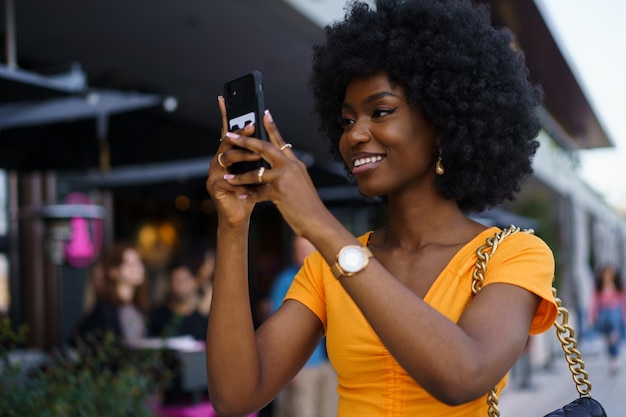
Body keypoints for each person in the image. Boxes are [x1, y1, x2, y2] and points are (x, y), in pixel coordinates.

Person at [204, 1, 559, 415]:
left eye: (381, 111)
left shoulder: (513, 255)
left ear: (444, 120)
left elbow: (463, 375)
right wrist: (233, 227)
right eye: (347, 120)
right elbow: (235, 396)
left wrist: (319, 222)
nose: (355, 134)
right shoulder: (324, 269)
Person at [269, 235, 338, 417]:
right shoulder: (285, 280)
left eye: (308, 249)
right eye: (300, 250)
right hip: (302, 365)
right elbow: (279, 330)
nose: (305, 255)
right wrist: (288, 369)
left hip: (327, 363)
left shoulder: (328, 275)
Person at [73, 242, 149, 346]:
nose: (137, 268)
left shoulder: (139, 307)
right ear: (113, 272)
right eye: (130, 264)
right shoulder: (104, 310)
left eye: (139, 262)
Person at [148, 260, 208, 341]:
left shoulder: (203, 322)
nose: (180, 285)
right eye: (175, 280)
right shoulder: (156, 318)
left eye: (184, 280)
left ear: (194, 282)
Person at [590, 265, 626, 375]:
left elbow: (623, 302)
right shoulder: (599, 288)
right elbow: (594, 302)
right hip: (604, 315)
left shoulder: (618, 287)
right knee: (609, 339)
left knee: (614, 335)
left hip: (615, 313)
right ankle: (613, 358)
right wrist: (593, 315)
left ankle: (614, 359)